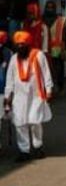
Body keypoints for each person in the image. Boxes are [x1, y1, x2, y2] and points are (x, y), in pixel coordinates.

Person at [3, 31, 53, 161]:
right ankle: (24, 151)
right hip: (19, 97)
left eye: (22, 44)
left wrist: (48, 89)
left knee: (34, 121)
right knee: (20, 123)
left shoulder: (38, 55)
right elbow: (10, 79)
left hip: (36, 95)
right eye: (18, 44)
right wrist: (8, 96)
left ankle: (38, 147)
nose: (20, 47)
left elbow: (46, 73)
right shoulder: (14, 58)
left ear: (28, 44)